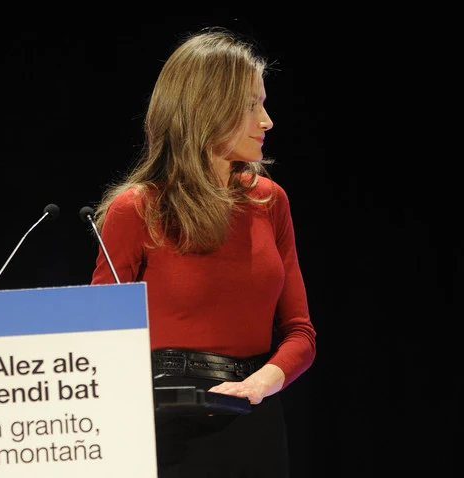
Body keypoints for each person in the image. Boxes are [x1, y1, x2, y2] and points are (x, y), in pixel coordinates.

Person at [90, 26, 316, 478]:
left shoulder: (270, 201)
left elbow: (300, 333)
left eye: (263, 103)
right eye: (252, 105)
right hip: (165, 424)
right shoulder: (137, 209)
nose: (266, 120)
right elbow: (98, 340)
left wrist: (259, 384)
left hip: (254, 420)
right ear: (205, 108)